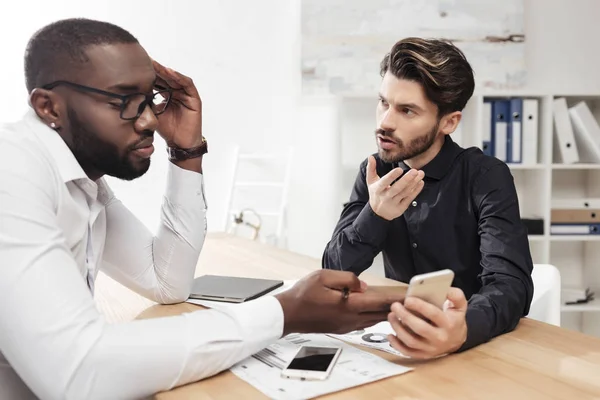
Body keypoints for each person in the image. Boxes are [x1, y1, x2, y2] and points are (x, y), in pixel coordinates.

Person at [0, 18, 404, 399]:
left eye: (149, 99)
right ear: (49, 107)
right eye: (124, 100)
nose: (148, 121)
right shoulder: (12, 169)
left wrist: (187, 151)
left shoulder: (83, 181)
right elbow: (80, 372)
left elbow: (165, 280)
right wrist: (284, 312)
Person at [322, 37, 534, 359]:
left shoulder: (486, 177)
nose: (385, 122)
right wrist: (375, 215)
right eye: (383, 103)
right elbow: (333, 272)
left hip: (474, 349)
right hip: (399, 342)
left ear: (448, 122)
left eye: (407, 110)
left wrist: (463, 327)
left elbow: (510, 286)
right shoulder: (374, 171)